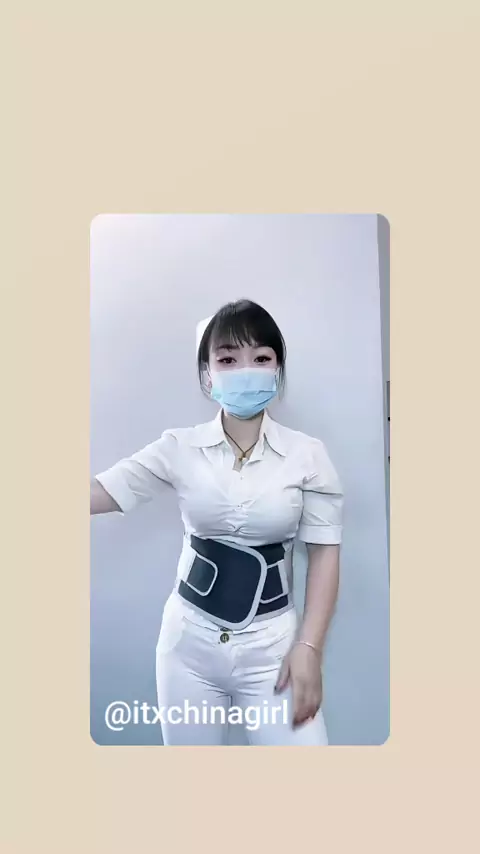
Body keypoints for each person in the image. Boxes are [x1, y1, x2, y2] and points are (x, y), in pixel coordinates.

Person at [90, 299, 344, 745]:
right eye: (228, 359)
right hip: (188, 647)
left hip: (275, 648)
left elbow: (324, 555)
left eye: (261, 358)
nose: (246, 370)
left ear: (278, 370)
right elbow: (104, 491)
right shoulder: (179, 447)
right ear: (208, 375)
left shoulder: (308, 455)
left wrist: (309, 647)